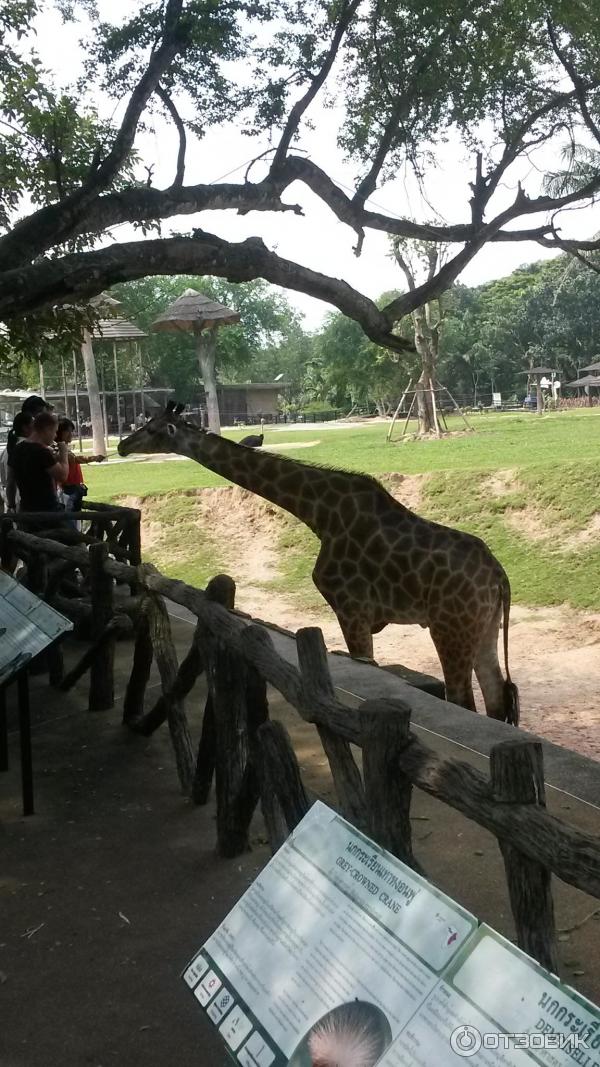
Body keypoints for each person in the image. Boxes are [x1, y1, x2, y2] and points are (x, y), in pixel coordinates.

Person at [11, 410, 69, 517]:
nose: (55, 436)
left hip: (26, 509)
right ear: (47, 430)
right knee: (72, 533)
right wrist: (64, 453)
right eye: (54, 431)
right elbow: (62, 475)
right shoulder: (41, 451)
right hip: (46, 510)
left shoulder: (18, 448)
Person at [55, 418, 105, 511]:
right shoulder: (59, 449)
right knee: (70, 519)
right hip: (68, 491)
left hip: (73, 489)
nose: (70, 434)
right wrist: (94, 458)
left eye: (71, 431)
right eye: (67, 431)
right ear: (59, 432)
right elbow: (75, 459)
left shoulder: (64, 448)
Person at [1, 411, 35, 511]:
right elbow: (10, 480)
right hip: (27, 501)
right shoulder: (28, 448)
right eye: (33, 425)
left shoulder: (9, 449)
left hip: (16, 502)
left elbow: (6, 480)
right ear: (25, 428)